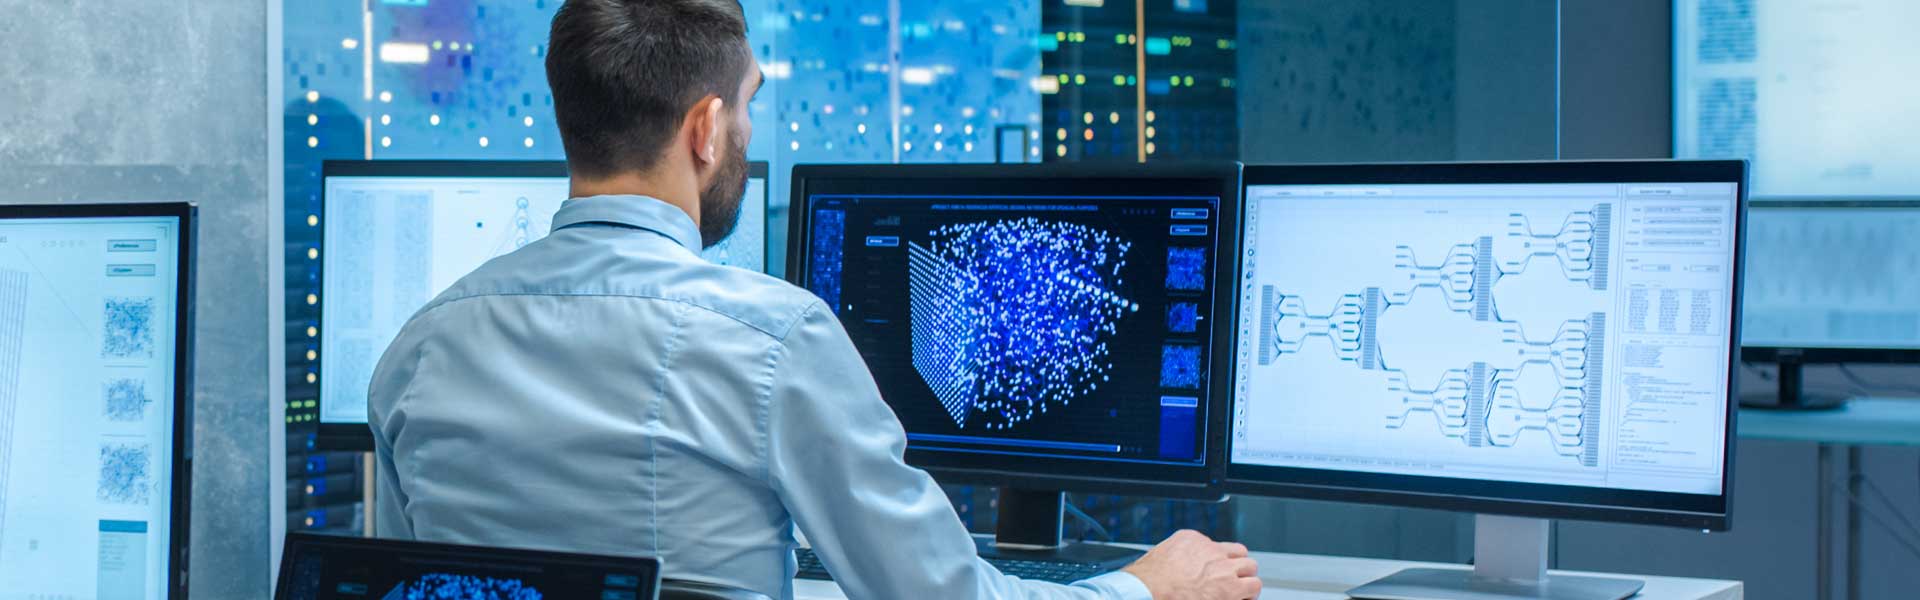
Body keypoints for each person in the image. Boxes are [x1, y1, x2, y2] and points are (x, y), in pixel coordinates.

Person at [365, 1, 1262, 599]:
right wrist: (1146, 586)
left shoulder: (417, 349)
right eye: (747, 108)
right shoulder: (770, 340)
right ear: (706, 128)